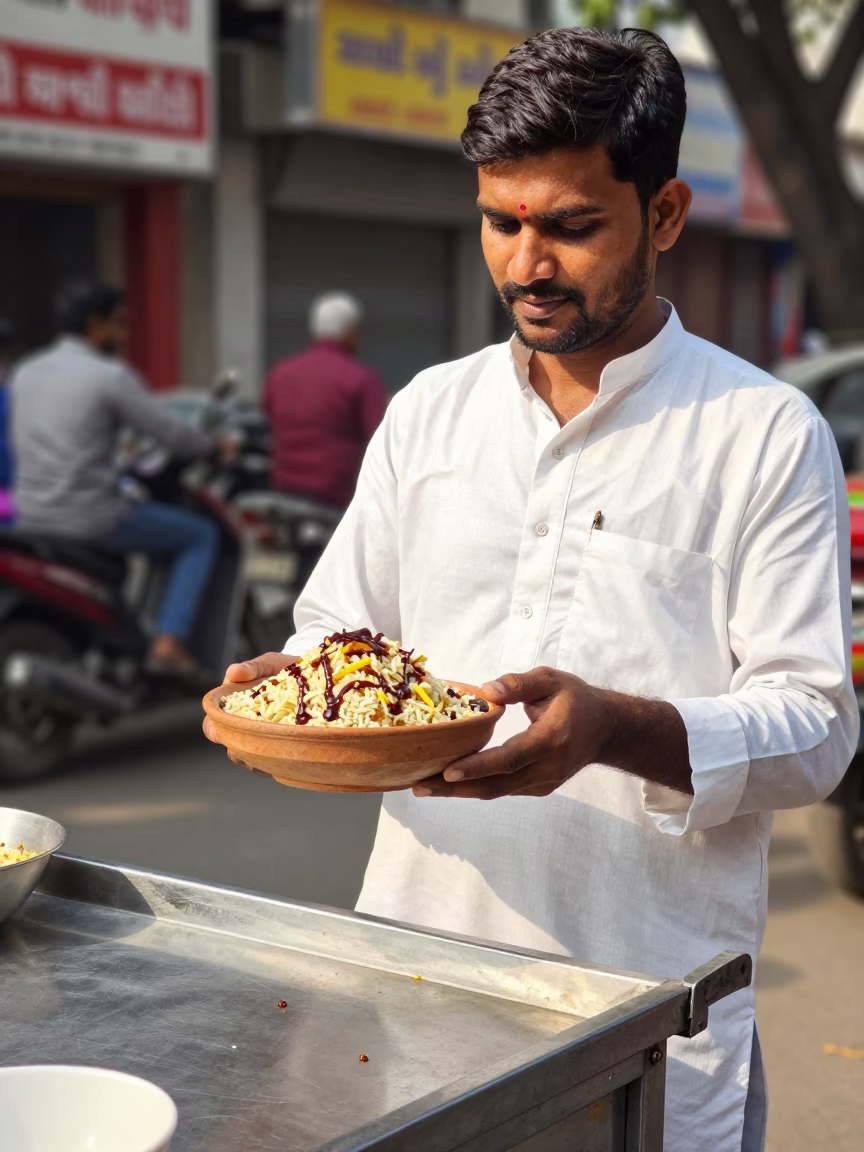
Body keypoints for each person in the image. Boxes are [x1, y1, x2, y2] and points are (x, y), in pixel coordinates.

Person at [206, 28, 856, 1152]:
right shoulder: (430, 413)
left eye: (568, 226)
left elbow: (814, 729)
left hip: (647, 1017)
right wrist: (299, 689)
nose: (525, 264)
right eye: (502, 223)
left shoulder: (762, 433)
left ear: (661, 216)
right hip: (414, 987)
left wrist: (616, 728)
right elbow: (337, 628)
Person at [11, 282, 219, 674]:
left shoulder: (25, 372)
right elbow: (171, 432)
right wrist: (212, 446)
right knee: (198, 536)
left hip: (30, 516)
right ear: (96, 324)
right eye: (119, 324)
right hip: (91, 517)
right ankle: (168, 642)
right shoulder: (108, 375)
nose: (124, 335)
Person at [263, 292, 388, 509]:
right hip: (338, 494)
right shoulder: (360, 379)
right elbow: (380, 437)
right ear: (350, 330)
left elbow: (267, 417)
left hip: (284, 487)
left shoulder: (279, 373)